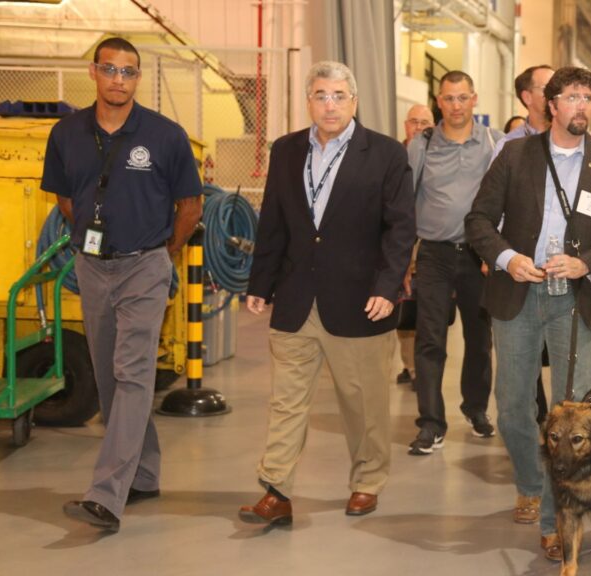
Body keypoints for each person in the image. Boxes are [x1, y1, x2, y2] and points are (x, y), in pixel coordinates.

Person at [465, 66, 591, 561]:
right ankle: (531, 483)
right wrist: (507, 258)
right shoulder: (516, 155)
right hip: (517, 294)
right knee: (514, 407)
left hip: (574, 298)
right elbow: (477, 220)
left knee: (575, 414)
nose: (583, 106)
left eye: (590, 97)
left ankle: (553, 520)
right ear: (552, 104)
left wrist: (587, 262)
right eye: (573, 97)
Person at [238, 61, 416, 523]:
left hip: (361, 302)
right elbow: (273, 220)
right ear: (309, 101)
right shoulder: (286, 150)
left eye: (339, 95)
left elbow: (400, 229)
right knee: (286, 402)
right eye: (321, 95)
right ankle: (276, 490)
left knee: (364, 406)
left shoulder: (386, 154)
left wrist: (387, 286)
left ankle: (367, 481)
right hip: (297, 298)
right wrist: (260, 282)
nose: (330, 104)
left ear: (354, 100)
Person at [44, 37, 202, 533]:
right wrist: (96, 241)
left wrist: (160, 253)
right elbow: (66, 199)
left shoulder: (165, 135)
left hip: (145, 266)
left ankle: (107, 495)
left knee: (133, 373)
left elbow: (191, 207)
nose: (118, 79)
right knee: (110, 376)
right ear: (93, 72)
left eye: (128, 71)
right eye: (110, 69)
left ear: (138, 78)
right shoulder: (66, 133)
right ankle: (145, 472)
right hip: (93, 266)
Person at [406, 70, 504, 455]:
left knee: (479, 340)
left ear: (474, 99)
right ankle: (431, 423)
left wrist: (497, 253)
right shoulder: (422, 145)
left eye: (463, 97)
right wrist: (402, 262)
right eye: (449, 98)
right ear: (438, 101)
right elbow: (404, 203)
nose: (456, 105)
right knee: (430, 338)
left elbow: (502, 201)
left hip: (480, 257)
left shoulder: (493, 143)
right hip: (434, 254)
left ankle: (476, 409)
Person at [491, 64, 557, 424]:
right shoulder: (509, 146)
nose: (555, 93)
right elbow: (490, 210)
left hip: (566, 267)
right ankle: (531, 429)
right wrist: (499, 256)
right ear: (527, 97)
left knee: (565, 354)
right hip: (521, 267)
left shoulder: (577, 141)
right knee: (523, 356)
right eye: (548, 87)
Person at [396, 104, 435, 386]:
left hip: (428, 240)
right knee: (405, 306)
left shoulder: (439, 155)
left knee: (428, 307)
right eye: (414, 121)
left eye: (425, 122)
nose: (419, 127)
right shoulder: (392, 154)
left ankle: (420, 367)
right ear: (405, 125)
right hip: (399, 238)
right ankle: (410, 366)